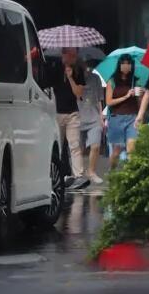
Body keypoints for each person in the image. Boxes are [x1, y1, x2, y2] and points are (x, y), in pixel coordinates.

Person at [51, 47, 90, 190]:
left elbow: (79, 94)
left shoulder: (78, 71)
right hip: (56, 113)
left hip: (73, 113)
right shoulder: (54, 67)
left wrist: (70, 77)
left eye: (76, 53)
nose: (74, 56)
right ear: (64, 53)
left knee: (74, 145)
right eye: (72, 54)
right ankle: (57, 175)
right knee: (58, 147)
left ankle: (79, 176)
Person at [105, 54, 141, 164]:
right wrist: (125, 96)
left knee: (131, 148)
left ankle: (129, 176)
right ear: (119, 65)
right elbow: (109, 102)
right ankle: (112, 171)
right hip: (117, 118)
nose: (126, 66)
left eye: (128, 64)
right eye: (123, 63)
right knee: (117, 151)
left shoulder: (135, 81)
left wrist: (140, 95)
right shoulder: (112, 81)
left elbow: (139, 102)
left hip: (132, 117)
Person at [78, 61, 105, 184]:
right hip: (77, 117)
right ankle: (78, 173)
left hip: (93, 118)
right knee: (79, 149)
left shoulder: (95, 78)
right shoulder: (73, 77)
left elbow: (100, 99)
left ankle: (92, 171)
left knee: (95, 146)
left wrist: (101, 117)